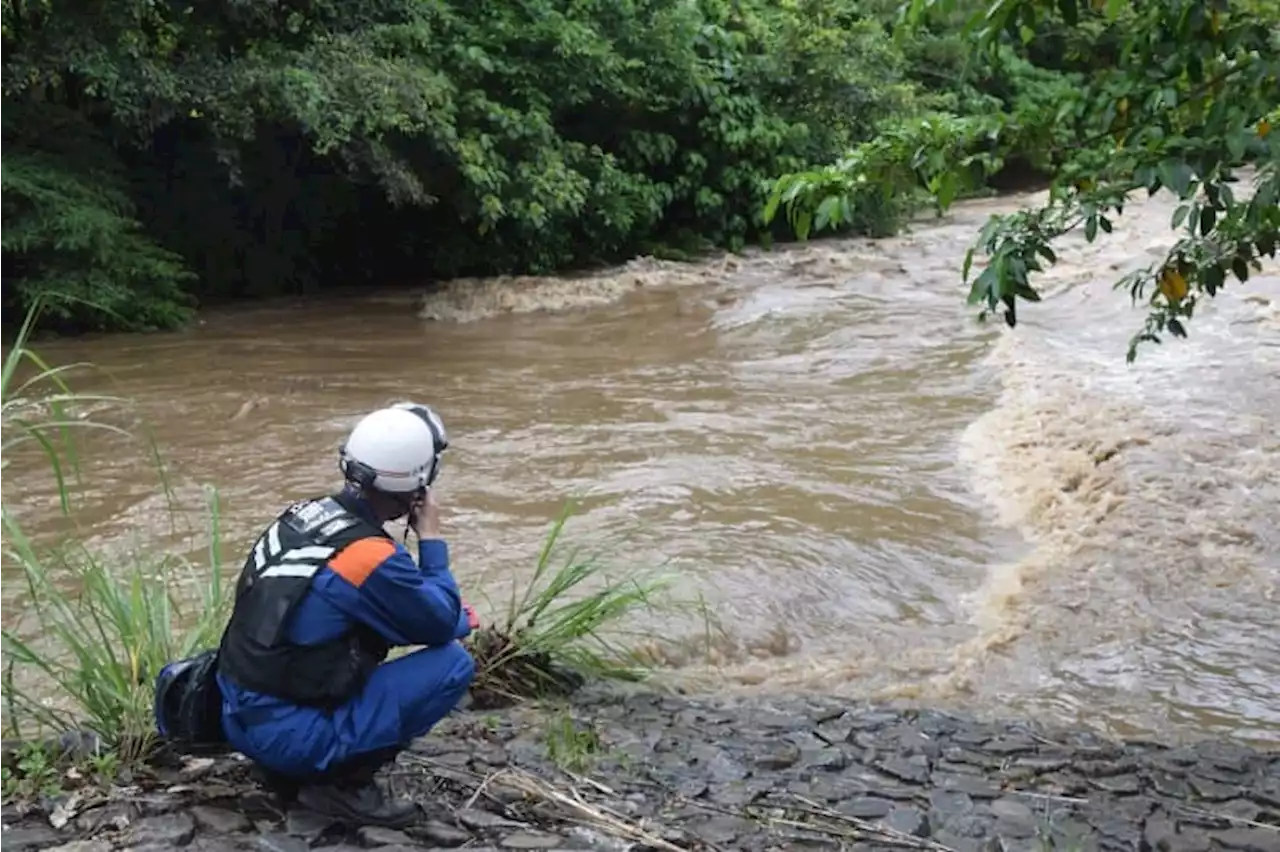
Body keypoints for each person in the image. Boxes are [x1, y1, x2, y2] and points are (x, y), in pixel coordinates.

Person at [214, 402, 477, 827]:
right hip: (289, 737)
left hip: (237, 717)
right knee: (453, 663)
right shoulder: (368, 557)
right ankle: (339, 787)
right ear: (417, 486)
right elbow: (442, 623)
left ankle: (290, 767)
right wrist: (430, 538)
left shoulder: (302, 516)